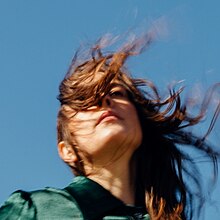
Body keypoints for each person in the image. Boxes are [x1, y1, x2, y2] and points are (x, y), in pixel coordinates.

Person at [0, 33, 219, 220]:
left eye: (116, 93)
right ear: (67, 149)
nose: (105, 100)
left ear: (140, 126)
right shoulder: (35, 210)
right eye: (87, 101)